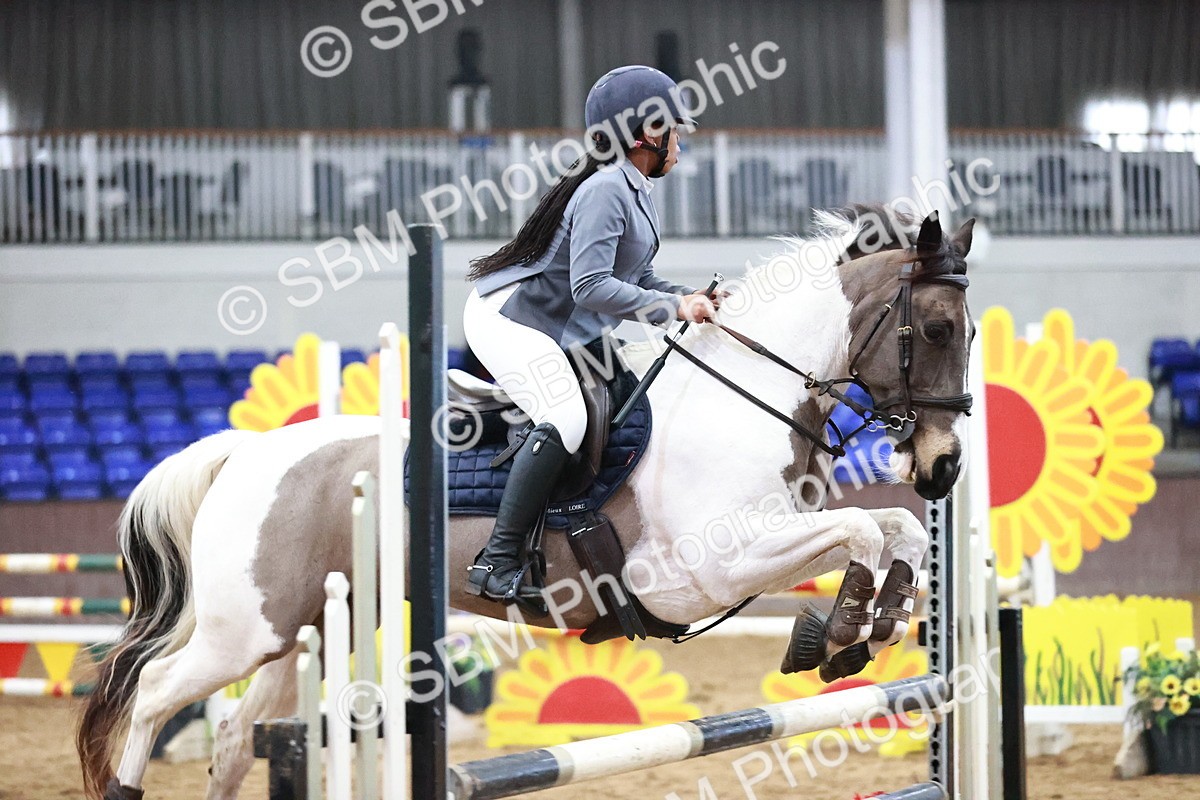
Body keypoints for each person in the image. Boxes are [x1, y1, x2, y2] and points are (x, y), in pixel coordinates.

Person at [462, 65, 718, 609]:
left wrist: (689, 298)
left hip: (558, 322)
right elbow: (590, 286)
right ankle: (497, 559)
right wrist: (672, 306)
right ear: (646, 134)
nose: (680, 141)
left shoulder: (635, 187)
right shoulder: (606, 190)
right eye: (674, 129)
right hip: (510, 320)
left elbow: (638, 280)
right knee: (568, 418)